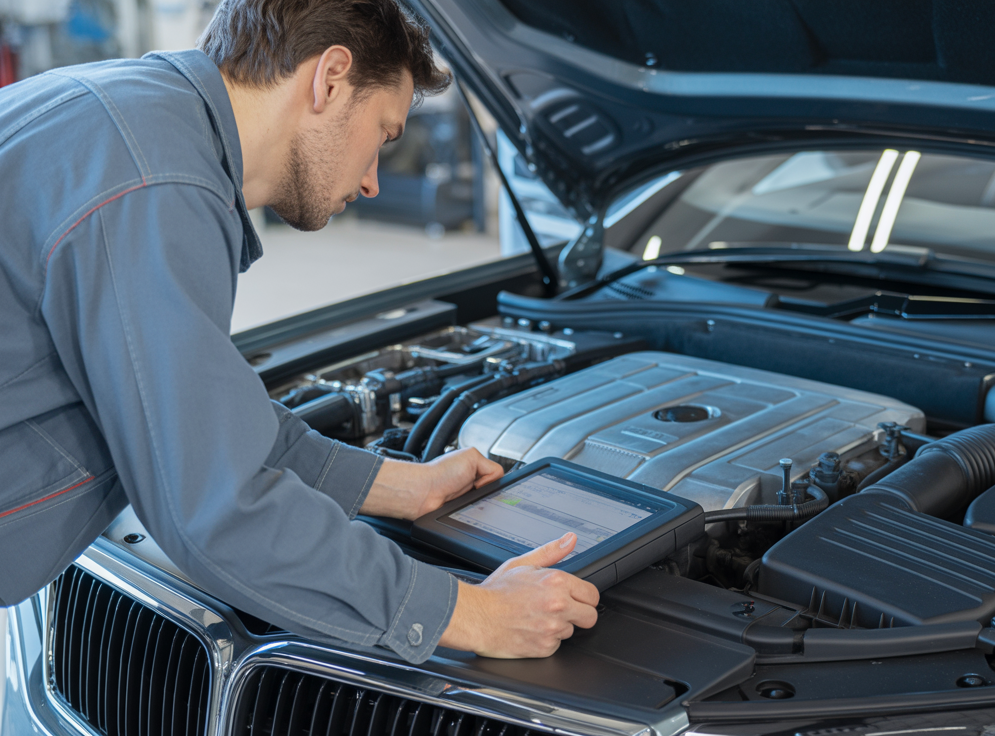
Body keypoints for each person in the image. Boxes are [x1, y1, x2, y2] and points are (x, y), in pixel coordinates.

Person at [0, 0, 598, 664]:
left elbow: (207, 414)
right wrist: (472, 613)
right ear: (330, 78)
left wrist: (403, 487)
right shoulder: (154, 186)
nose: (372, 182)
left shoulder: (127, 116)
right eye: (384, 133)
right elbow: (217, 510)